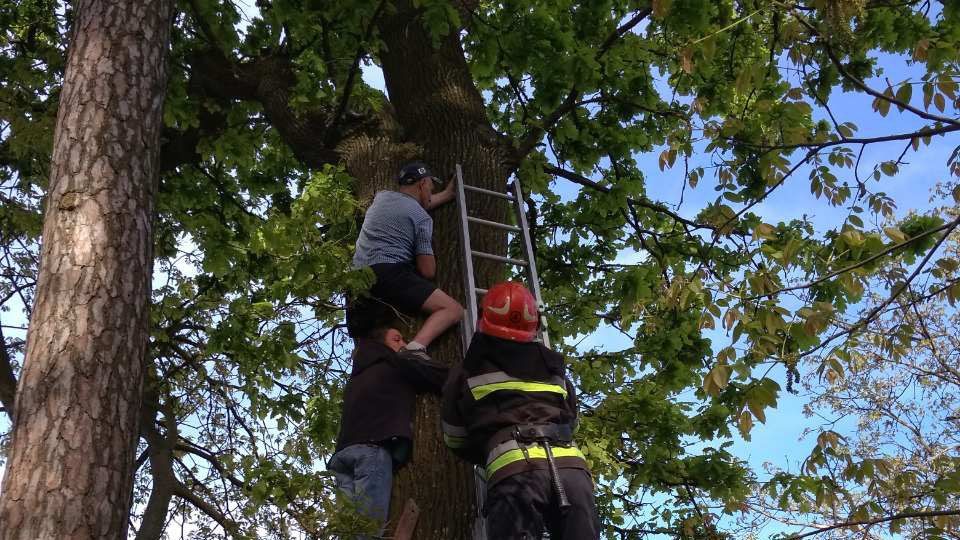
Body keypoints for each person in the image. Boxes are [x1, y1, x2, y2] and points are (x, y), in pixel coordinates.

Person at [441, 281, 600, 539]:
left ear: (483, 319)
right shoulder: (554, 368)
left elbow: (455, 437)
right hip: (572, 471)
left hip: (515, 471)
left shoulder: (466, 371)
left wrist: (490, 448)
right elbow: (572, 421)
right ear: (533, 326)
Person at [329, 306, 449, 538]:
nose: (404, 344)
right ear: (381, 344)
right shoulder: (394, 362)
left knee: (350, 532)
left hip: (342, 456)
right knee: (367, 533)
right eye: (397, 339)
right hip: (371, 452)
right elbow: (439, 377)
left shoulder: (358, 376)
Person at [350, 161, 463, 360]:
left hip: (356, 281)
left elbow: (414, 204)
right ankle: (415, 350)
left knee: (370, 339)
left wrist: (446, 195)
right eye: (430, 188)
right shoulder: (422, 218)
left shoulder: (381, 198)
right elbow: (428, 271)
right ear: (422, 184)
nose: (431, 193)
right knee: (453, 309)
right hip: (389, 273)